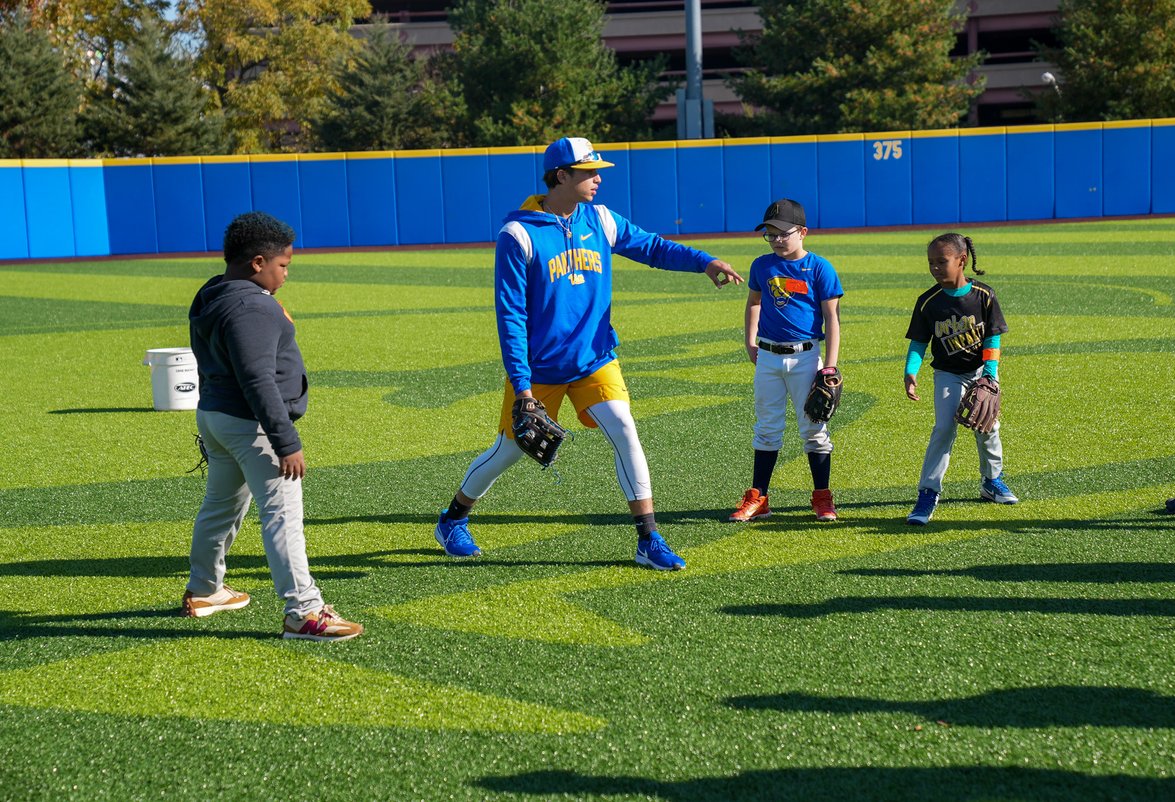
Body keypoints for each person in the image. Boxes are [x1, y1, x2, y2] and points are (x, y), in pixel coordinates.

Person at [434, 136, 744, 570]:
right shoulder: (518, 234)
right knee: (508, 451)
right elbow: (511, 316)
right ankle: (453, 518)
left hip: (595, 359)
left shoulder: (600, 219)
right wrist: (523, 389)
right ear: (562, 176)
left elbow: (653, 247)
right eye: (589, 172)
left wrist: (703, 262)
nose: (598, 179)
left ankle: (648, 538)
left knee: (624, 428)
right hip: (540, 369)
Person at [183, 211, 362, 641]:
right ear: (258, 262)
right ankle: (304, 612)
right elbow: (258, 380)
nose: (286, 274)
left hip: (217, 416)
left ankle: (205, 589)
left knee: (220, 507)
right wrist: (285, 441)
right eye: (283, 265)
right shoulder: (252, 307)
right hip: (251, 425)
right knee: (282, 516)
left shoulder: (213, 290)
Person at [728, 199, 843, 524]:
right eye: (770, 233)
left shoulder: (819, 267)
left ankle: (822, 497)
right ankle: (759, 498)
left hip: (806, 356)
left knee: (814, 428)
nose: (776, 239)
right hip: (768, 357)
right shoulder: (762, 266)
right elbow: (754, 302)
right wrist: (750, 341)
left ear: (802, 232)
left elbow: (832, 318)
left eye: (783, 233)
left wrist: (830, 365)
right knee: (767, 428)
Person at [903, 233, 1018, 525]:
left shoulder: (983, 295)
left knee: (988, 426)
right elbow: (919, 342)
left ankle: (992, 481)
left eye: (942, 261)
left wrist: (990, 374)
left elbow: (992, 337)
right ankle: (928, 492)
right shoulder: (928, 302)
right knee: (943, 429)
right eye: (931, 262)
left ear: (961, 260)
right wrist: (911, 371)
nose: (935, 268)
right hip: (948, 374)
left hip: (982, 372)